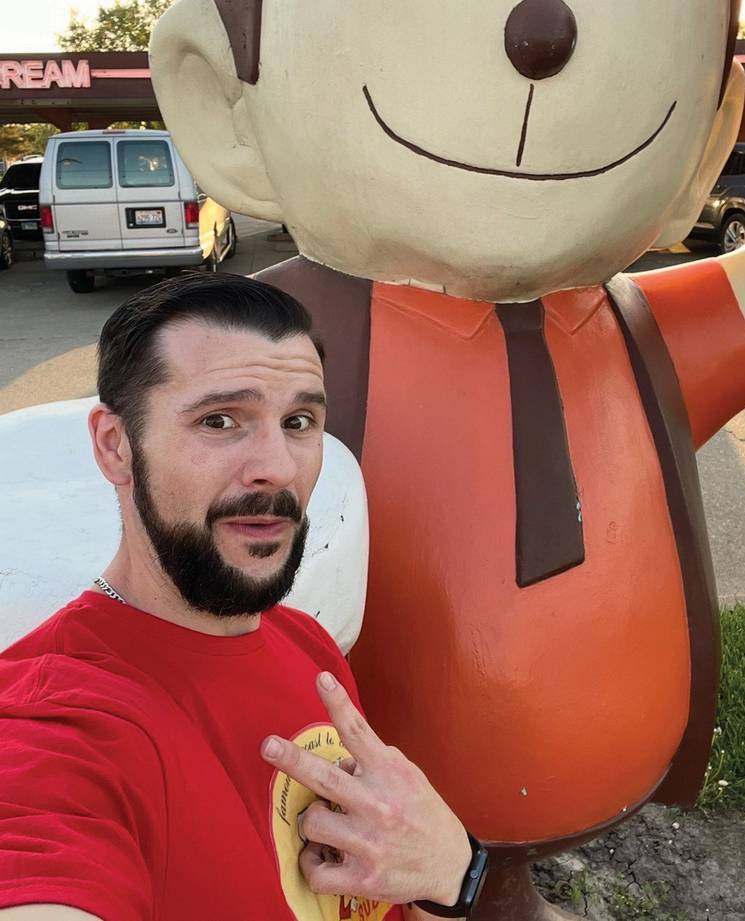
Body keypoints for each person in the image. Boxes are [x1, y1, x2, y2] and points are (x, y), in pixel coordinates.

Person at [0, 273, 483, 921]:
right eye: (221, 419)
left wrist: (452, 871)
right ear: (116, 446)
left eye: (300, 420)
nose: (278, 465)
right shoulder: (56, 726)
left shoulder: (303, 639)